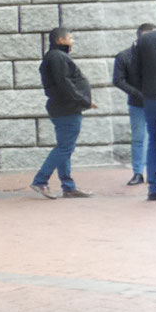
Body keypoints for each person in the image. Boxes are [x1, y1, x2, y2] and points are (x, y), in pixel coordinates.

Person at [32, 28, 93, 197]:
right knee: (65, 148)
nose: (72, 41)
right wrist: (83, 99)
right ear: (60, 40)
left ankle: (68, 186)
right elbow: (64, 83)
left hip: (65, 107)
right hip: (66, 109)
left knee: (65, 148)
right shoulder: (57, 57)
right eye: (70, 38)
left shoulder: (55, 57)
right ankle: (40, 181)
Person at [113, 24, 156, 185]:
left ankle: (155, 171)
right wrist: (137, 93)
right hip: (137, 104)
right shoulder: (125, 56)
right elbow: (118, 80)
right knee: (139, 138)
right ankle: (138, 173)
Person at [137, 22, 156, 203]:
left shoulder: (145, 40)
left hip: (152, 98)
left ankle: (153, 188)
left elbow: (136, 70)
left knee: (154, 141)